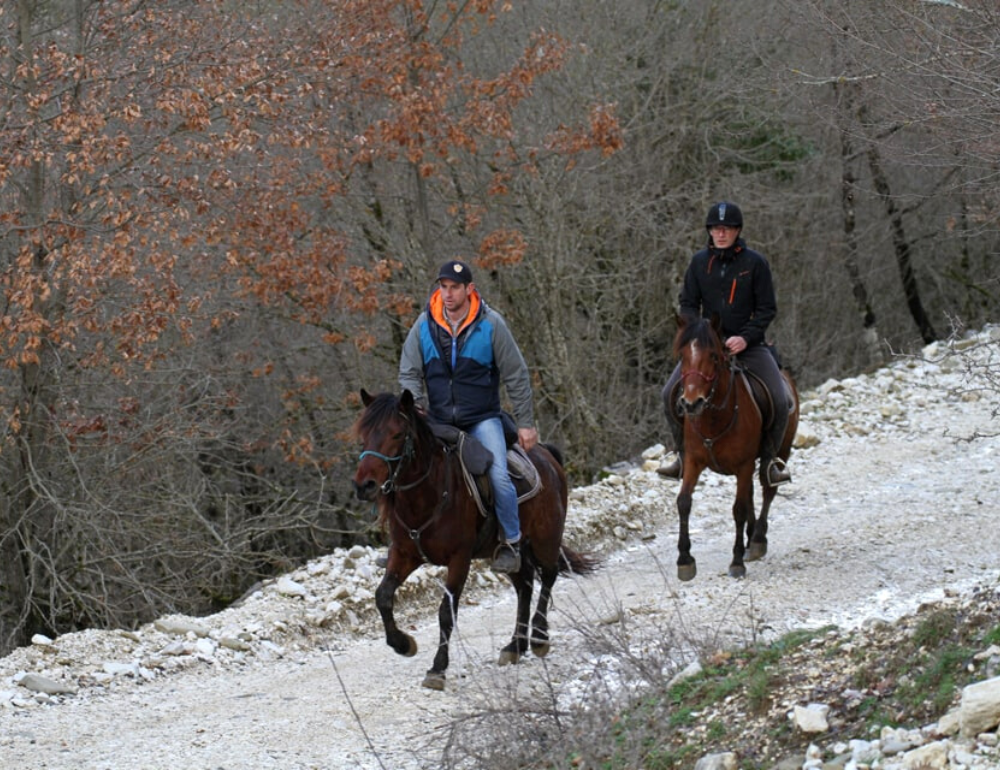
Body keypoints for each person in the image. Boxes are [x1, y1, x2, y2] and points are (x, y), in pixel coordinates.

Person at [399, 260, 539, 573]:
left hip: (482, 418)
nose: (448, 294)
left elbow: (516, 374)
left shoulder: (491, 325)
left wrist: (526, 422)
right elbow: (408, 371)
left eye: (454, 287)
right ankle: (402, 544)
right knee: (400, 468)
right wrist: (416, 404)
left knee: (499, 477)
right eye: (443, 287)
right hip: (437, 420)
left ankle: (511, 543)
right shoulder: (424, 325)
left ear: (469, 289)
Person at [658, 201, 792, 486]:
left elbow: (767, 308)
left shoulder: (755, 263)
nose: (721, 234)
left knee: (781, 399)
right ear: (710, 231)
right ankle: (682, 456)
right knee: (669, 393)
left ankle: (770, 462)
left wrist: (746, 337)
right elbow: (688, 304)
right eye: (716, 229)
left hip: (749, 344)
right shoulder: (698, 262)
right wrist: (700, 333)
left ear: (737, 231)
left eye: (727, 229)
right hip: (707, 346)